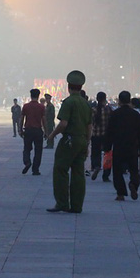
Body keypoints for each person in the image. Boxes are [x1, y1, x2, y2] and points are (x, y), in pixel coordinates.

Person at [46, 70, 92, 213]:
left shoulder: (69, 102)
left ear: (69, 86)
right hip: (82, 140)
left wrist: (52, 135)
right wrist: (87, 142)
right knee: (78, 173)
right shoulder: (86, 104)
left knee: (60, 169)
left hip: (69, 141)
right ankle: (77, 206)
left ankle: (62, 203)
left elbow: (63, 124)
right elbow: (89, 126)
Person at [107, 90, 140, 201]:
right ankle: (134, 184)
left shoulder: (115, 114)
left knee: (117, 170)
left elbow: (110, 131)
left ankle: (120, 193)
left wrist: (107, 147)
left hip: (118, 146)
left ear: (119, 101)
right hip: (132, 146)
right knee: (134, 169)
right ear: (129, 100)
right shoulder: (135, 114)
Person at [19, 89, 46, 176]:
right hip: (38, 130)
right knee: (38, 151)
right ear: (38, 96)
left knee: (27, 148)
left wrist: (20, 129)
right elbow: (44, 120)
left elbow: (22, 118)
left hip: (28, 130)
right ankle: (35, 169)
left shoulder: (26, 106)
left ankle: (27, 162)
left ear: (30, 96)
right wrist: (46, 131)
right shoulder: (41, 107)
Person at [90, 92, 112, 182]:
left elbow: (90, 123)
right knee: (107, 155)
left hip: (95, 135)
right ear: (104, 99)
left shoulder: (93, 110)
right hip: (106, 136)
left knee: (95, 153)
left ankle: (96, 166)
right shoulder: (109, 110)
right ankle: (106, 175)